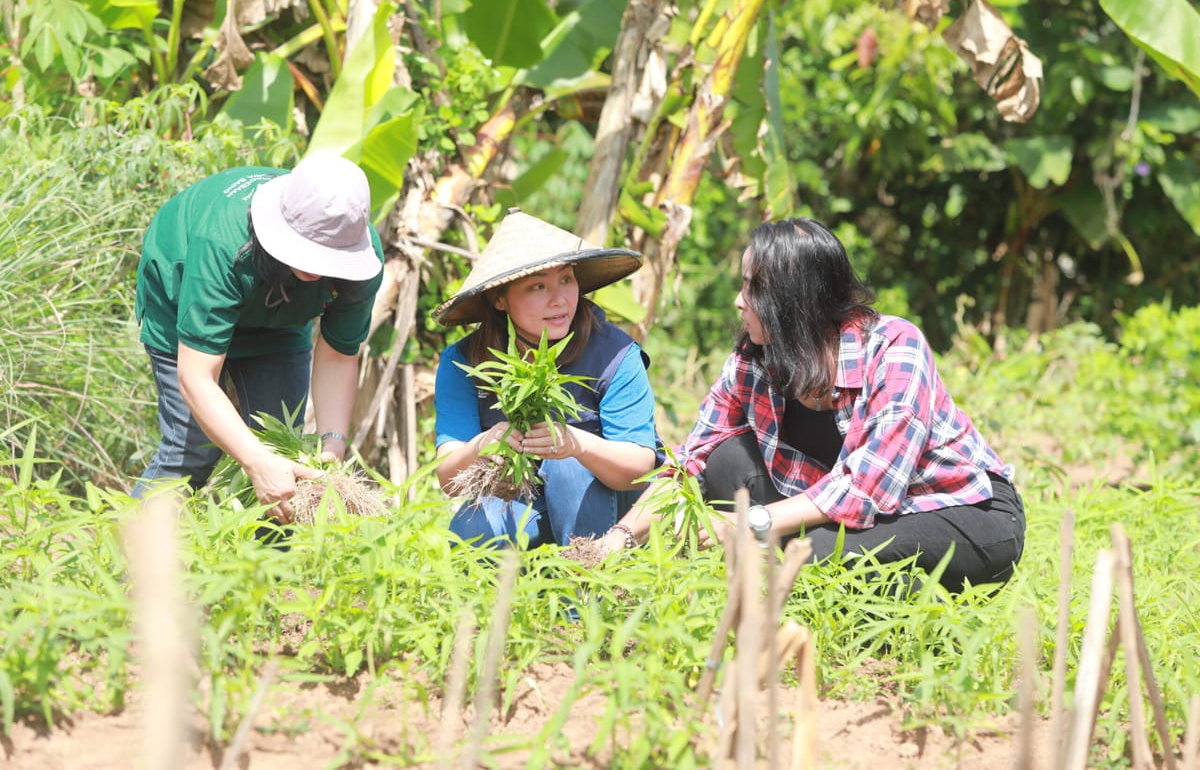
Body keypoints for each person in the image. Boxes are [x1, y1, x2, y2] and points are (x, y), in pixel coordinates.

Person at [598, 218, 1025, 593]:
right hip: (842, 508)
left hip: (958, 509)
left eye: (753, 288)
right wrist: (621, 535)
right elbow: (690, 462)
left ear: (794, 300)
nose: (738, 301)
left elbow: (864, 492)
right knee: (725, 461)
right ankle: (804, 581)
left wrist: (749, 522)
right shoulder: (753, 361)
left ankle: (928, 612)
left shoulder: (894, 349)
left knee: (815, 554)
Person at [131, 153, 385, 526]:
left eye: (330, 259)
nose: (317, 268)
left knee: (282, 448)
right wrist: (254, 461)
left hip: (277, 320)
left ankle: (268, 579)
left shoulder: (362, 258)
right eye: (311, 254)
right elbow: (196, 377)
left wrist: (332, 443)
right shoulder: (221, 241)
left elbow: (338, 355)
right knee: (191, 452)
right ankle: (122, 563)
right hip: (183, 297)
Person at [433, 208, 661, 549]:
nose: (560, 300)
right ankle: (503, 600)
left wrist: (577, 445)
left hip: (610, 510)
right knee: (473, 528)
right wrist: (481, 446)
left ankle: (585, 592)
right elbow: (449, 478)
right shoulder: (465, 362)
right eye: (538, 286)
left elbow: (638, 467)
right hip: (524, 503)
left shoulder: (615, 355)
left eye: (566, 279)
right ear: (499, 298)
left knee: (566, 467)